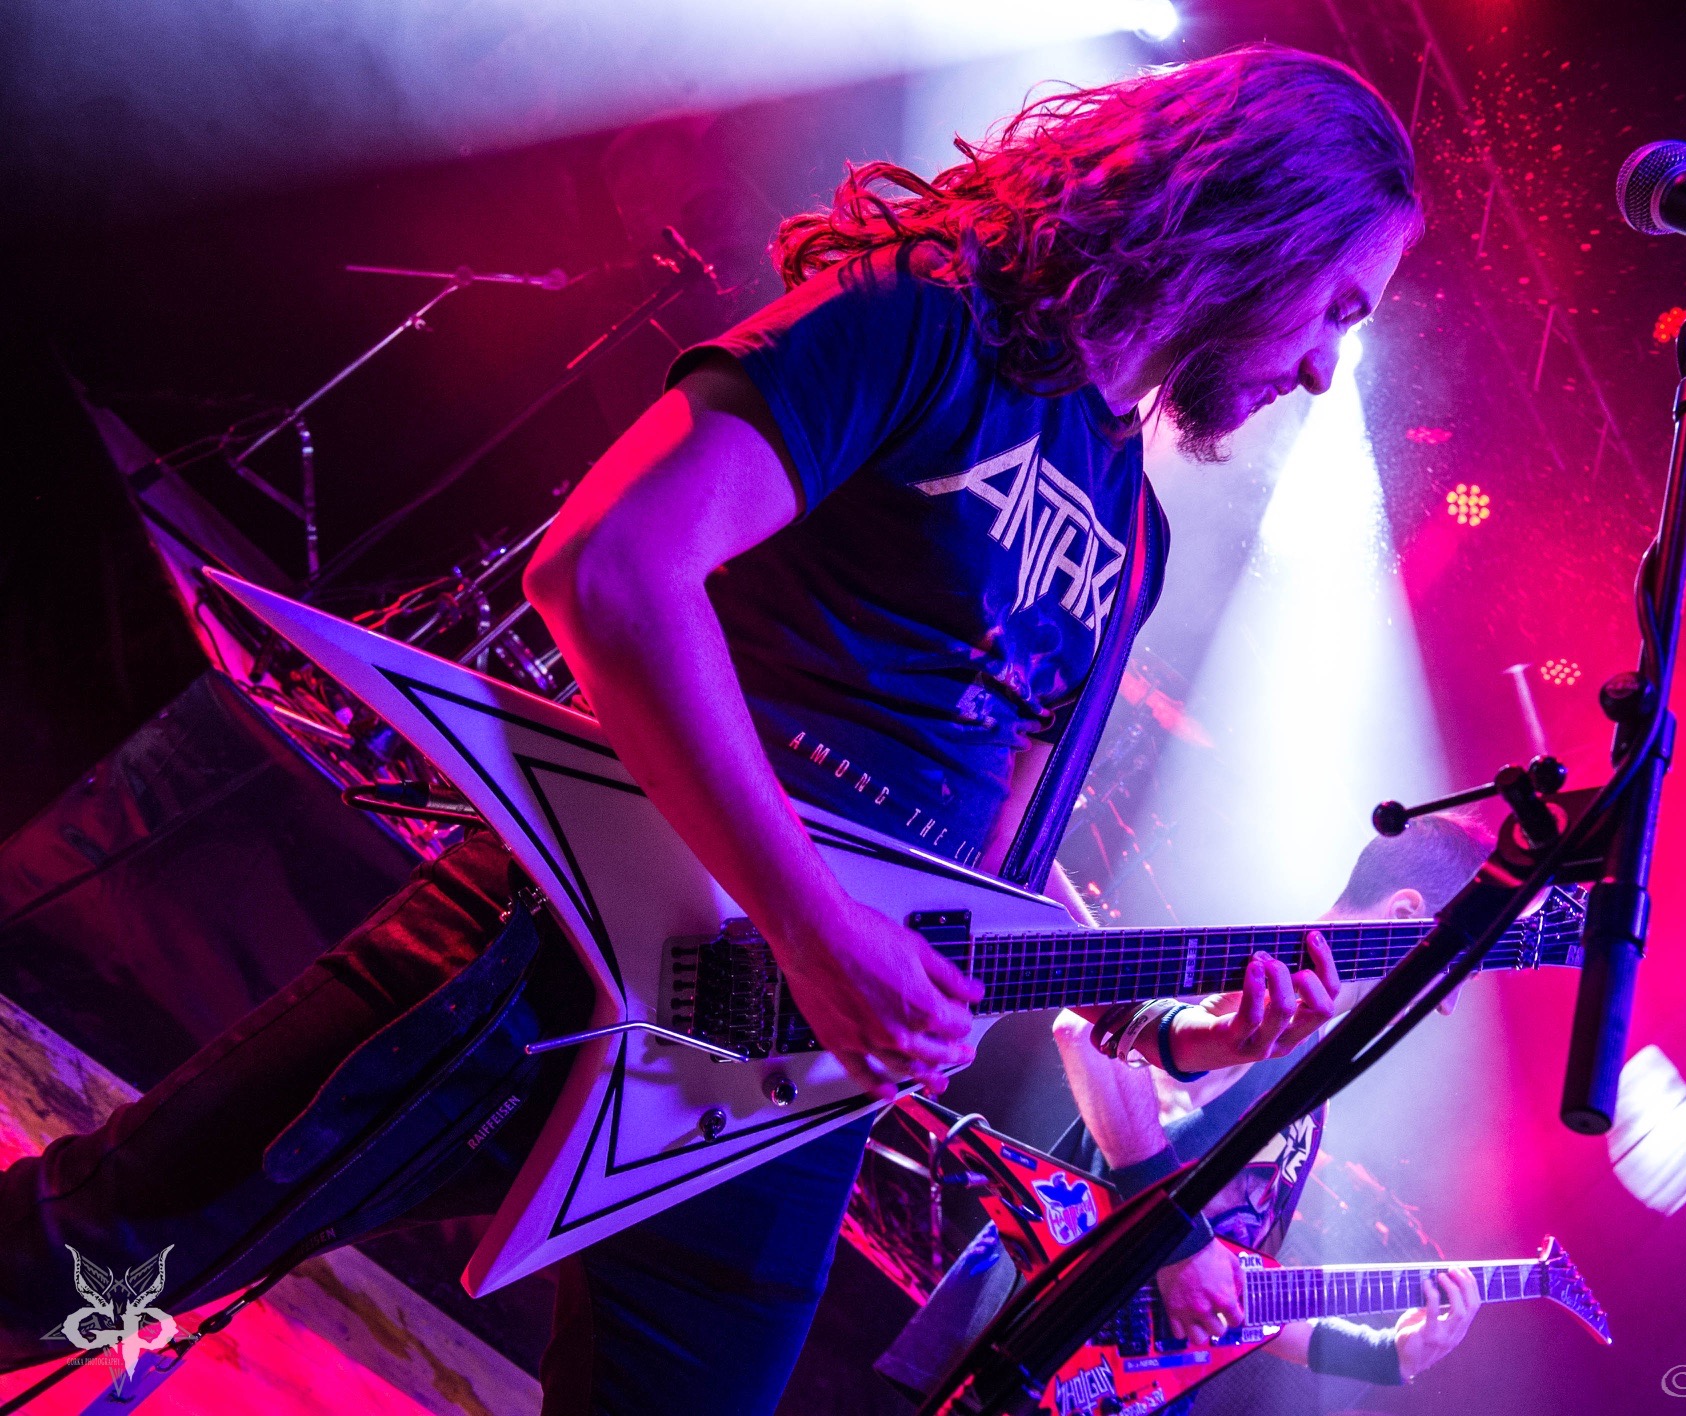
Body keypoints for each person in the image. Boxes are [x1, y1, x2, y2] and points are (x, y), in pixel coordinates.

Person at [0, 44, 1423, 1415]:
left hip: (775, 1093)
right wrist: (812, 924)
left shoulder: (1134, 535)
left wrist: (1187, 1034)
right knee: (103, 1261)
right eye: (1338, 306)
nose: (1321, 370)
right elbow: (609, 566)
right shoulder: (926, 321)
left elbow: (980, 895)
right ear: (1256, 223)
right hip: (564, 952)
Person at [877, 815, 1494, 1404]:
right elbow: (1087, 1035)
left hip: (1104, 1380)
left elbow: (1224, 1285)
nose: (1452, 1000)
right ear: (1406, 915)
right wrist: (1179, 1247)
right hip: (1032, 1356)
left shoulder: (1310, 1053)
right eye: (1468, 962)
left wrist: (1386, 1355)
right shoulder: (1272, 986)